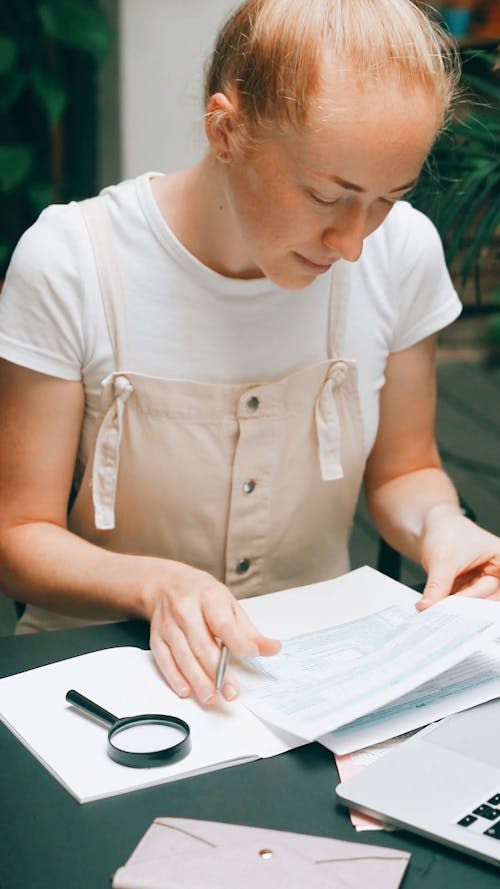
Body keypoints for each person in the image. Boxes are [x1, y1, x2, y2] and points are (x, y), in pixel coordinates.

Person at [0, 0, 499, 707]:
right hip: (97, 677)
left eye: (388, 198)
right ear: (226, 129)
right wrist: (158, 583)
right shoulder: (73, 262)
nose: (353, 243)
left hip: (312, 677)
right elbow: (18, 534)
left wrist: (444, 526)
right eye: (328, 195)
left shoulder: (404, 252)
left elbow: (407, 470)